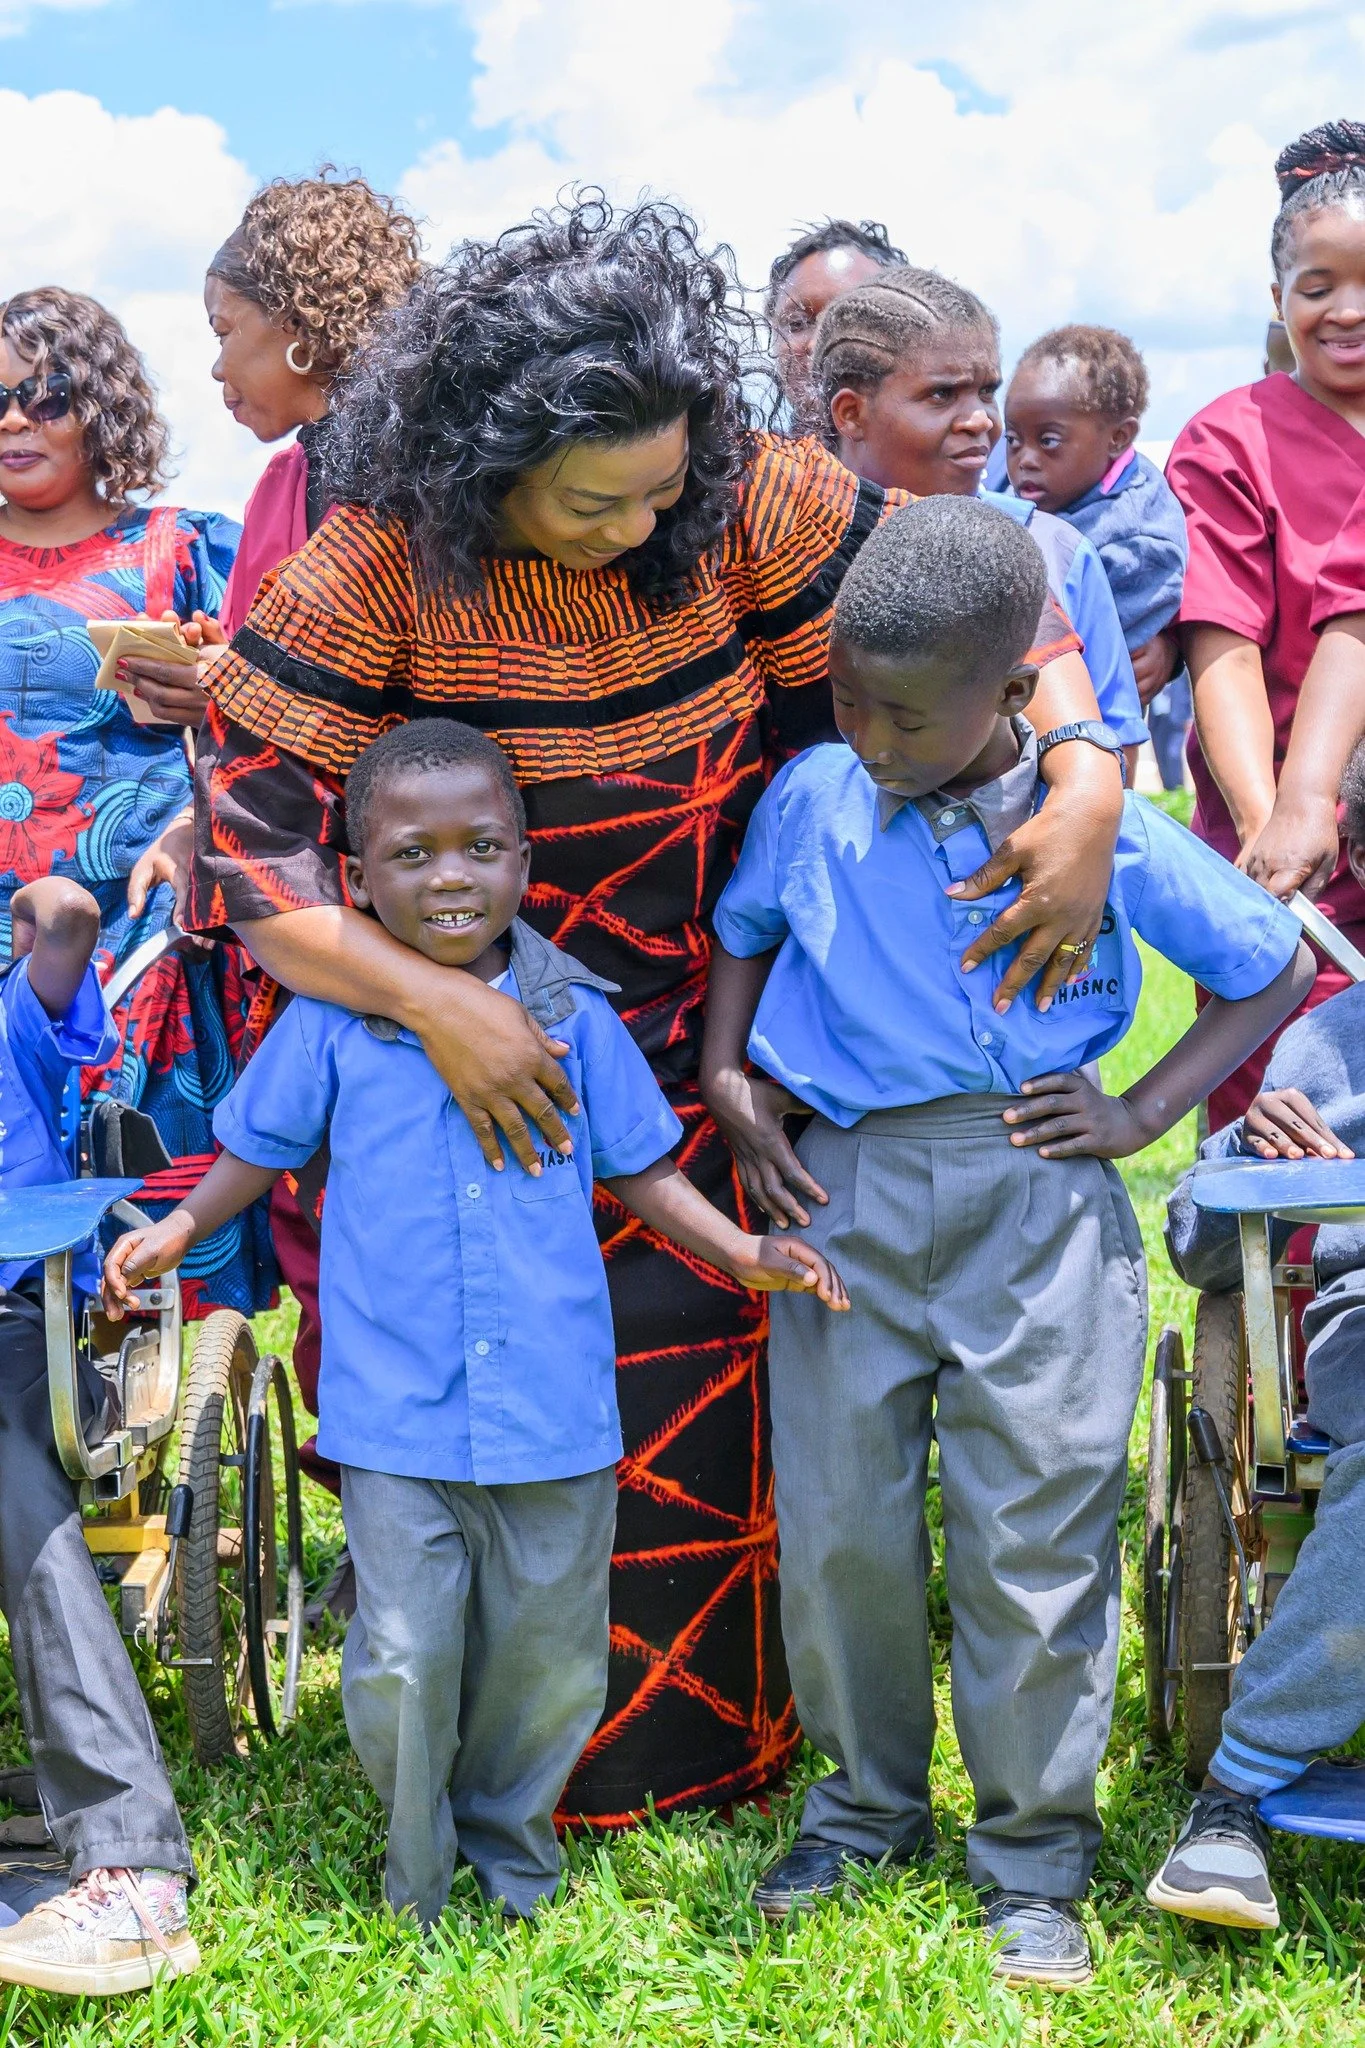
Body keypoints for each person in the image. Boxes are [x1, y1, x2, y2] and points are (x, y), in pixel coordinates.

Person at [186, 195, 1126, 1828]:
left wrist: (1093, 774)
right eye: (588, 498)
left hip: (722, 1043)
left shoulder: (745, 497)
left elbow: (975, 598)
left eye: (662, 486)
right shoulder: (377, 563)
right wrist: (438, 1006)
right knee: (514, 1393)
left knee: (713, 1386)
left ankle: (722, 1746)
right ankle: (512, 1771)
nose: (637, 522)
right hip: (470, 1076)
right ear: (485, 459)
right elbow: (255, 828)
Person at [700, 495, 1312, 1985]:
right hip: (842, 1189)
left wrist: (1140, 1107)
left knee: (1032, 1530)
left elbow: (1268, 960)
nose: (873, 734)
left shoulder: (1080, 817)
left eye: (907, 713)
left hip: (1033, 1196)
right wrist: (727, 1073)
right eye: (849, 700)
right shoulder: (812, 794)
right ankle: (861, 1812)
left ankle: (1034, 1855)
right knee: (840, 1518)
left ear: (1015, 694)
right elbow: (746, 930)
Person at [106, 718, 845, 1925]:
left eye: (480, 849)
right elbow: (257, 1144)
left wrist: (744, 1249)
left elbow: (645, 1170)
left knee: (549, 1657)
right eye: (412, 855)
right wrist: (180, 1229)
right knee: (400, 1651)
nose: (450, 876)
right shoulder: (335, 1022)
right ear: (357, 871)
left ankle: (511, 1854)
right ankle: (416, 1876)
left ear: (523, 859)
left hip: (555, 1409)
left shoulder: (571, 1014)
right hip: (396, 1413)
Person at [121, 173, 424, 1515]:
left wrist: (226, 685)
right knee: (323, 1196)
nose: (217, 362)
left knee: (386, 1197)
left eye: (226, 327)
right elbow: (262, 685)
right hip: (290, 891)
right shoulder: (282, 482)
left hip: (397, 891)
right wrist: (203, 740)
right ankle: (379, 1506)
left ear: (300, 331)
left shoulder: (414, 474)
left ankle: (417, 1494)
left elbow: (399, 684)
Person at [0, 286, 267, 1316]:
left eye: (47, 395)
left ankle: (170, 1458)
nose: (16, 419)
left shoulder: (188, 548)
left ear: (101, 407)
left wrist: (204, 814)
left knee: (141, 1235)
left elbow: (286, 713)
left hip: (140, 943)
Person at [1150, 738, 1365, 1934]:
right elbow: (1195, 1240)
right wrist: (1247, 1150)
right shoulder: (1327, 1044)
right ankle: (1237, 1789)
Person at [0, 876, 197, 1997]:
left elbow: (71, 917)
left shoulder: (14, 1018)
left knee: (5, 1459)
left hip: (18, 1324)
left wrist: (49, 904)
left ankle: (131, 1861)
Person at [1167, 117, 1365, 1128]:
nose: (1347, 310)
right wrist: (1266, 833)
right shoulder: (1228, 438)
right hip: (1296, 868)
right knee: (1284, 1145)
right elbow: (1221, 644)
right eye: (1318, 284)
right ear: (1276, 297)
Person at [811, 264, 1149, 768]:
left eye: (987, 391)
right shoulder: (789, 555)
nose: (981, 421)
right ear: (852, 413)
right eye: (942, 394)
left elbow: (1112, 753)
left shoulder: (1053, 551)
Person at [999, 324, 1191, 790]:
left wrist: (1168, 652)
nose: (1024, 459)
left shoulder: (1137, 536)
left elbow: (1105, 655)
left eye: (1048, 441)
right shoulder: (1047, 491)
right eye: (1012, 439)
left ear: (1118, 438)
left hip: (1085, 744)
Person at [765, 218, 905, 429]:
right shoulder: (741, 459)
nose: (816, 346)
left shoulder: (958, 456)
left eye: (851, 320)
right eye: (797, 324)